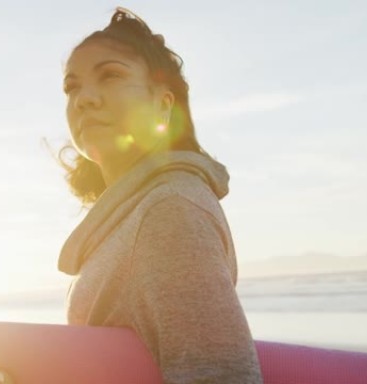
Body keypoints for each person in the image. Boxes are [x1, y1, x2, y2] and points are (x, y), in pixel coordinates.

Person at [57, 7, 264, 383]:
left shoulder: (169, 210)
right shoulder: (134, 212)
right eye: (72, 87)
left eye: (111, 75)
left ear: (163, 104)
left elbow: (219, 377)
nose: (84, 98)